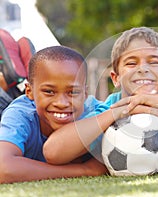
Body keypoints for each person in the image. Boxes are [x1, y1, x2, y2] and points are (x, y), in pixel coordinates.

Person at [43, 27, 158, 168]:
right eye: (131, 63)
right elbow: (53, 152)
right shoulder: (107, 109)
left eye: (154, 61)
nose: (143, 68)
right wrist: (122, 112)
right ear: (115, 78)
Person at [0, 46, 109, 184]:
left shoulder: (97, 112)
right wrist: (85, 170)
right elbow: (3, 168)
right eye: (49, 92)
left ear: (85, 94)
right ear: (29, 91)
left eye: (73, 92)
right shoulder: (21, 114)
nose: (61, 103)